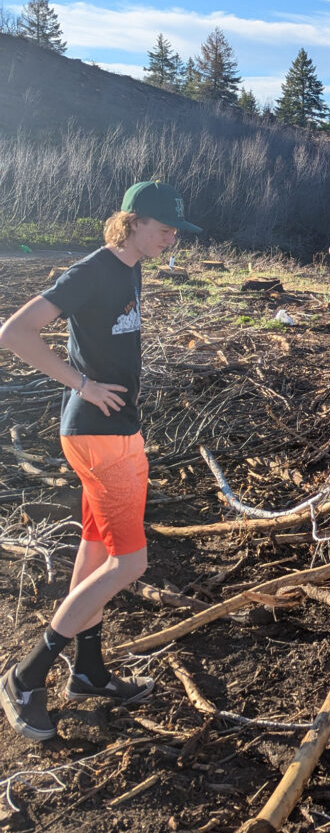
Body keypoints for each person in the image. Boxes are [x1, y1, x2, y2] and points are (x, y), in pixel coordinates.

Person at [0, 180, 201, 743]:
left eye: (176, 233)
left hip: (116, 432)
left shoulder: (130, 267)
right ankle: (26, 676)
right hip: (98, 435)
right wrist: (82, 384)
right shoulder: (95, 269)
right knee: (131, 563)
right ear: (133, 221)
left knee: (95, 552)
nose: (172, 241)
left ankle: (88, 671)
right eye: (165, 230)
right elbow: (15, 333)